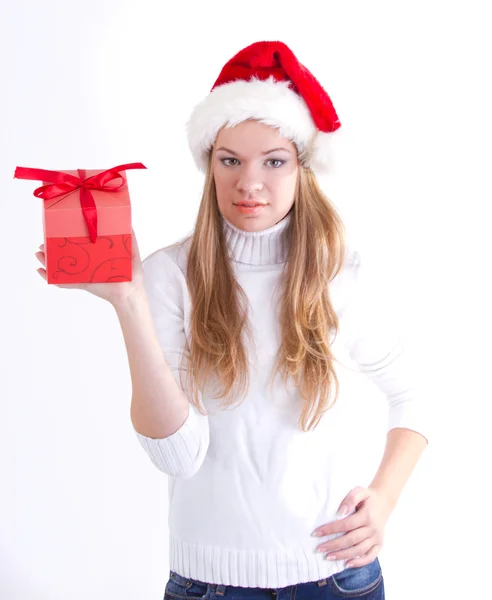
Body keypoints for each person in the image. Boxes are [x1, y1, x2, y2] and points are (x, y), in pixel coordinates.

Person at [35, 41, 429, 600]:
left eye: (274, 161)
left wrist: (385, 497)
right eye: (230, 160)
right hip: (209, 585)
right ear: (209, 163)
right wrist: (129, 302)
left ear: (302, 167)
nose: (249, 183)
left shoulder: (342, 275)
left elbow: (416, 393)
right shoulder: (168, 277)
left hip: (336, 577)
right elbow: (177, 454)